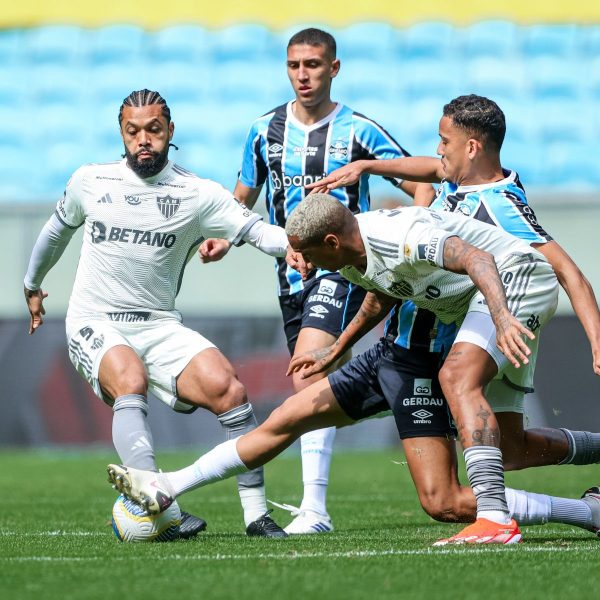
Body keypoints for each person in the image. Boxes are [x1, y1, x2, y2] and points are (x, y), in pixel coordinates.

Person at [106, 194, 600, 545]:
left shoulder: (403, 235)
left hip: (513, 283)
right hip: (394, 354)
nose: (301, 265)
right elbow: (384, 290)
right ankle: (166, 485)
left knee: (448, 457)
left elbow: (476, 258)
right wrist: (337, 348)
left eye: (306, 254)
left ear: (330, 240)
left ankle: (501, 519)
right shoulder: (350, 251)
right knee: (288, 417)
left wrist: (499, 316)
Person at [301, 95, 600, 543]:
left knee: (457, 377)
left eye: (445, 141)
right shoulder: (458, 181)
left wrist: (596, 341)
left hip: (515, 294)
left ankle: (495, 519)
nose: (438, 150)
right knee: (512, 449)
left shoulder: (501, 205)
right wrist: (368, 168)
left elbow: (568, 271)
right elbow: (428, 168)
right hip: (490, 307)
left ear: (473, 147)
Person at [23, 89, 292, 539]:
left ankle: (256, 516)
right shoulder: (91, 180)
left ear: (169, 131)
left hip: (159, 324)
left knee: (230, 389)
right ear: (122, 134)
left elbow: (256, 230)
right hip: (96, 320)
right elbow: (55, 233)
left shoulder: (197, 193)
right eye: (133, 132)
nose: (143, 140)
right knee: (129, 379)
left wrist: (295, 249)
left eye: (153, 130)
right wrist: (32, 286)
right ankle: (157, 499)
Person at [199, 27, 434, 535]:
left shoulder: (358, 131)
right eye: (294, 66)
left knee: (307, 372)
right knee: (319, 383)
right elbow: (243, 194)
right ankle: (366, 407)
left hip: (345, 273)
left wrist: (411, 243)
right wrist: (224, 236)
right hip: (289, 278)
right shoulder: (264, 131)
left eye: (313, 65)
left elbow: (421, 185)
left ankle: (314, 509)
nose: (303, 75)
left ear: (334, 68)